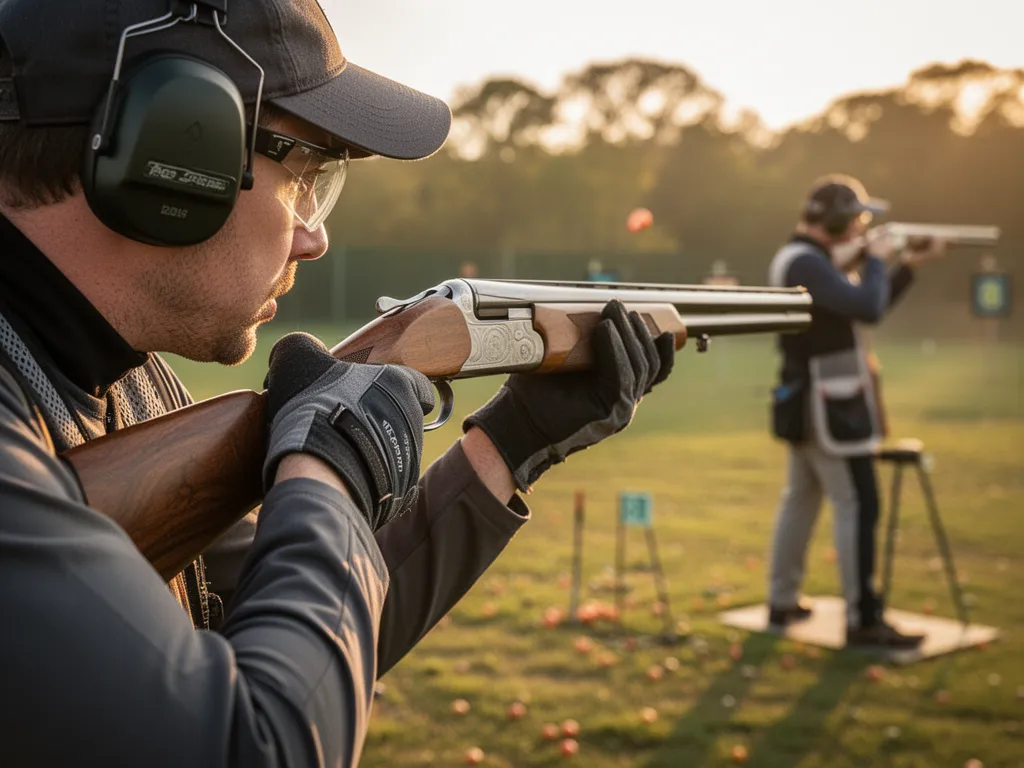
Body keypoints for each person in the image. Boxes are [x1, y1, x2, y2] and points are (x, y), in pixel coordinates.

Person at [0, 1, 676, 765]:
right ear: (173, 150)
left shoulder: (125, 379)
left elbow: (309, 647)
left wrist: (510, 443)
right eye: (306, 175)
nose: (315, 235)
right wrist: (330, 465)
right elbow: (267, 746)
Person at [765, 174, 945, 649]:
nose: (861, 226)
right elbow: (866, 307)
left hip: (812, 398)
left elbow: (865, 305)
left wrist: (906, 266)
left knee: (800, 500)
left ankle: (782, 599)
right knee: (859, 503)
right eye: (857, 217)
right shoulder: (808, 261)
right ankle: (864, 618)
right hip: (831, 403)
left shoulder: (807, 259)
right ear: (840, 220)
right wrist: (882, 261)